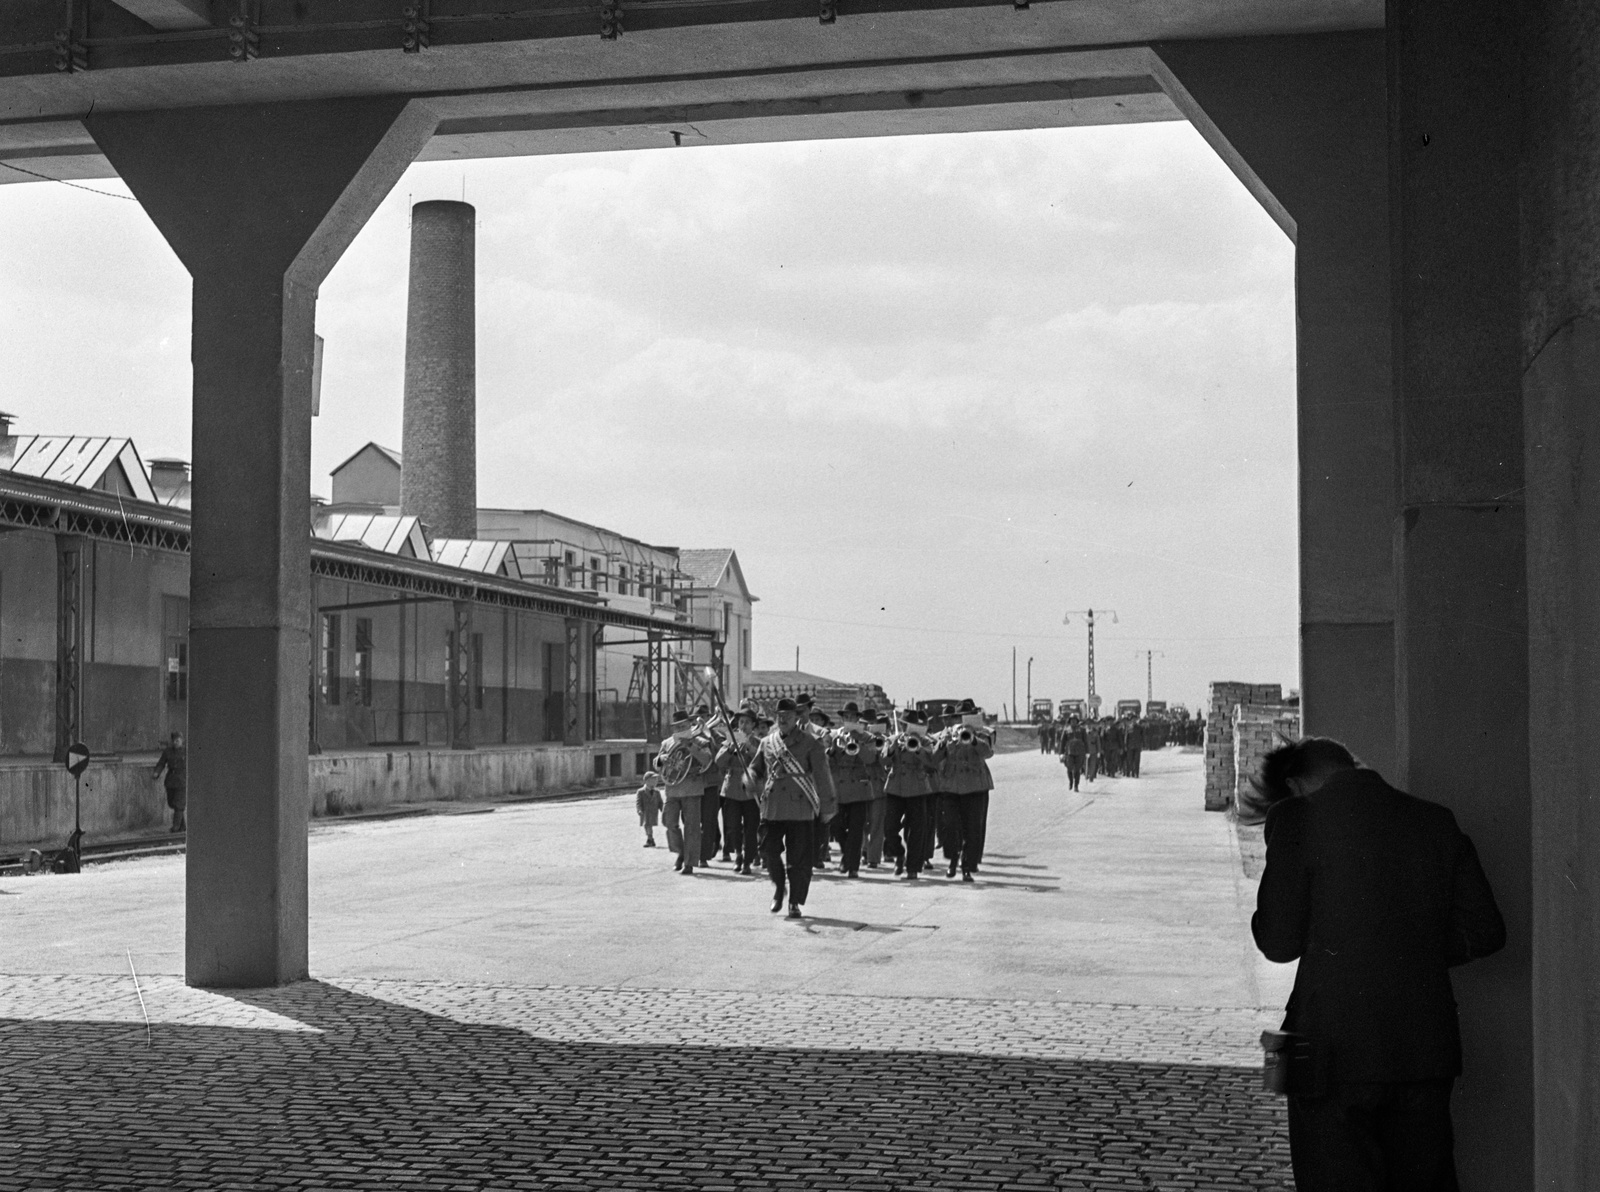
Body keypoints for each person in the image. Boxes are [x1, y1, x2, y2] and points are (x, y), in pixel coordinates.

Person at [1249, 737, 1505, 1191]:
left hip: (1325, 1051)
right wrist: (1408, 950)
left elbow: (1277, 942)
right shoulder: (1434, 820)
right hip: (1422, 1049)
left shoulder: (1295, 818)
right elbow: (1487, 931)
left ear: (1295, 784)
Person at [747, 697, 837, 918]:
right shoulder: (767, 742)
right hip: (772, 807)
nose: (783, 719)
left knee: (799, 860)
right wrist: (748, 778)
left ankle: (794, 902)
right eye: (780, 716)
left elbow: (822, 777)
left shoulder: (811, 743)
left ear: (797, 718)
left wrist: (827, 807)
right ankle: (779, 888)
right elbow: (756, 768)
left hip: (800, 808)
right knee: (768, 851)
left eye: (788, 716)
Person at [935, 700, 993, 881]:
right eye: (958, 718)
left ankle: (966, 866)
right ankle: (953, 861)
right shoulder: (946, 734)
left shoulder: (981, 732)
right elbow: (935, 757)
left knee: (972, 829)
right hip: (951, 787)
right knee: (951, 827)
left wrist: (973, 739)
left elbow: (988, 752)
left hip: (974, 787)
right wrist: (945, 743)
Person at [654, 710, 715, 876]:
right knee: (669, 822)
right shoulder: (667, 743)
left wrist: (690, 745)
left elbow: (707, 760)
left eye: (683, 726)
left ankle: (689, 863)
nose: (680, 729)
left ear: (690, 725)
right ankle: (681, 852)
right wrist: (663, 759)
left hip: (693, 788)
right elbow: (656, 763)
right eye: (677, 727)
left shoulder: (701, 740)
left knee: (692, 828)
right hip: (672, 789)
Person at [881, 711, 937, 879]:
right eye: (904, 725)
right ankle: (899, 854)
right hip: (895, 787)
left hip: (918, 788)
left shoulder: (926, 741)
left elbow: (932, 762)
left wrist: (918, 748)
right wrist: (892, 748)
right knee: (889, 828)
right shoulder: (892, 740)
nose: (907, 729)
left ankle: (913, 867)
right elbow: (883, 761)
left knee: (917, 830)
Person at [826, 702, 879, 878]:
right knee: (836, 827)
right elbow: (826, 762)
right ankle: (847, 857)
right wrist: (832, 750)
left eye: (852, 717)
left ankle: (853, 866)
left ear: (858, 719)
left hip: (859, 789)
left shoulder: (868, 737)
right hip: (839, 789)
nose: (849, 720)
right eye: (846, 717)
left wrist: (857, 742)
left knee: (856, 830)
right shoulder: (834, 736)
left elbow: (870, 758)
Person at [716, 705, 762, 875]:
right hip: (732, 789)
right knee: (733, 826)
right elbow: (719, 761)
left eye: (747, 723)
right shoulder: (730, 739)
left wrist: (749, 748)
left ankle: (747, 861)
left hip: (751, 790)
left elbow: (763, 762)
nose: (743, 726)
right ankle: (738, 854)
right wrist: (730, 750)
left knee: (751, 827)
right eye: (741, 722)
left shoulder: (758, 742)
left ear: (753, 726)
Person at [151, 731, 186, 833]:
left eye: (178, 740)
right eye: (174, 741)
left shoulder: (187, 751)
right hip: (170, 781)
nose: (176, 742)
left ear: (182, 740)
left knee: (179, 804)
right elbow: (161, 763)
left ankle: (175, 828)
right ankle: (182, 827)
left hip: (182, 780)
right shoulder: (168, 751)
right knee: (172, 803)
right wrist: (156, 773)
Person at [635, 770, 664, 847]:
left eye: (656, 780)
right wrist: (639, 810)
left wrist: (664, 810)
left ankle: (650, 839)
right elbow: (638, 802)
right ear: (647, 781)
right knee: (647, 825)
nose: (655, 782)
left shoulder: (657, 792)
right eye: (653, 780)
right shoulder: (640, 792)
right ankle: (650, 839)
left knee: (649, 825)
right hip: (645, 812)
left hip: (653, 811)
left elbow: (660, 803)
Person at [1061, 717, 1087, 792]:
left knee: (1077, 770)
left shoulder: (1082, 730)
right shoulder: (1066, 730)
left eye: (1075, 721)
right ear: (1070, 722)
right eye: (1072, 721)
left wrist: (1087, 751)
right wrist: (1061, 753)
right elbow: (1062, 742)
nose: (1073, 722)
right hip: (1069, 752)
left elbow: (1085, 741)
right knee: (1069, 768)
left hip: (1079, 752)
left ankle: (1076, 785)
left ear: (1077, 722)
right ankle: (1071, 782)